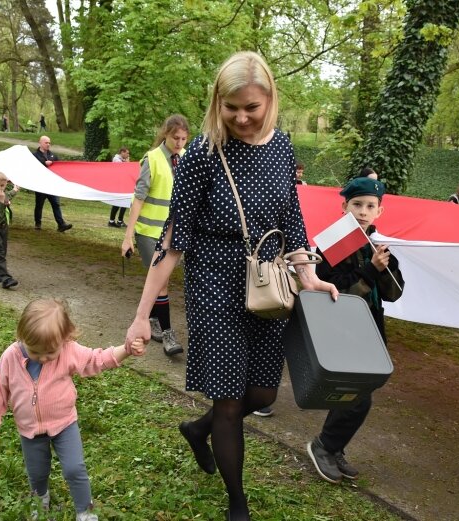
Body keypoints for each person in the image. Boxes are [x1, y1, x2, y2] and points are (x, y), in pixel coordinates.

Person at [123, 51, 338, 521]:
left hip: (267, 284)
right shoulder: (201, 155)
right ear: (217, 103)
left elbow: (292, 219)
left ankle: (197, 430)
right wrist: (142, 316)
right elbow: (172, 242)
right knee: (229, 400)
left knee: (261, 396)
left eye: (251, 108)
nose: (241, 117)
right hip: (214, 287)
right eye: (230, 106)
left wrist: (309, 274)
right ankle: (236, 503)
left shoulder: (281, 148)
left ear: (270, 102)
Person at [0, 298, 145, 521]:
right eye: (35, 352)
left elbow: (97, 360)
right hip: (30, 429)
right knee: (37, 474)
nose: (43, 358)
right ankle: (41, 501)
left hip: (64, 424)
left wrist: (125, 350)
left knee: (74, 469)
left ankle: (85, 512)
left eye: (50, 352)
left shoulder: (68, 351)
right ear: (22, 337)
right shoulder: (11, 356)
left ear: (65, 338)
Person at [306, 177, 404, 484]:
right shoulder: (333, 243)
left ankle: (333, 447)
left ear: (380, 211)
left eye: (370, 206)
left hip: (369, 329)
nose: (363, 211)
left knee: (362, 390)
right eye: (356, 204)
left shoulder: (377, 246)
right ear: (344, 207)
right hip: (342, 328)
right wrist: (370, 270)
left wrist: (385, 266)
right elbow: (336, 289)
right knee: (358, 393)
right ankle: (324, 446)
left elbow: (395, 292)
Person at [121, 115, 189, 356]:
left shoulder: (185, 159)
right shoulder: (152, 159)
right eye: (175, 138)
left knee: (163, 282)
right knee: (161, 284)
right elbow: (137, 199)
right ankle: (169, 334)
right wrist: (128, 236)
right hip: (149, 233)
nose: (179, 143)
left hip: (172, 235)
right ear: (165, 135)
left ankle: (152, 319)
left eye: (183, 138)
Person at [32, 136, 73, 232]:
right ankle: (38, 223)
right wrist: (44, 163)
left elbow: (59, 168)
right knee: (39, 205)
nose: (48, 144)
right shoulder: (35, 156)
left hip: (52, 185)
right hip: (40, 185)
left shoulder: (53, 156)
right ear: (40, 143)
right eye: (46, 143)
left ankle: (61, 224)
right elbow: (33, 167)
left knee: (56, 204)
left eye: (49, 143)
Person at [108, 147, 130, 227]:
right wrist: (127, 163)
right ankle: (111, 221)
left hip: (123, 183)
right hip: (117, 184)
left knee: (125, 202)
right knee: (117, 203)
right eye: (127, 153)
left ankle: (120, 220)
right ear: (122, 152)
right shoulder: (116, 159)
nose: (128, 155)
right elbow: (124, 169)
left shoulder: (123, 160)